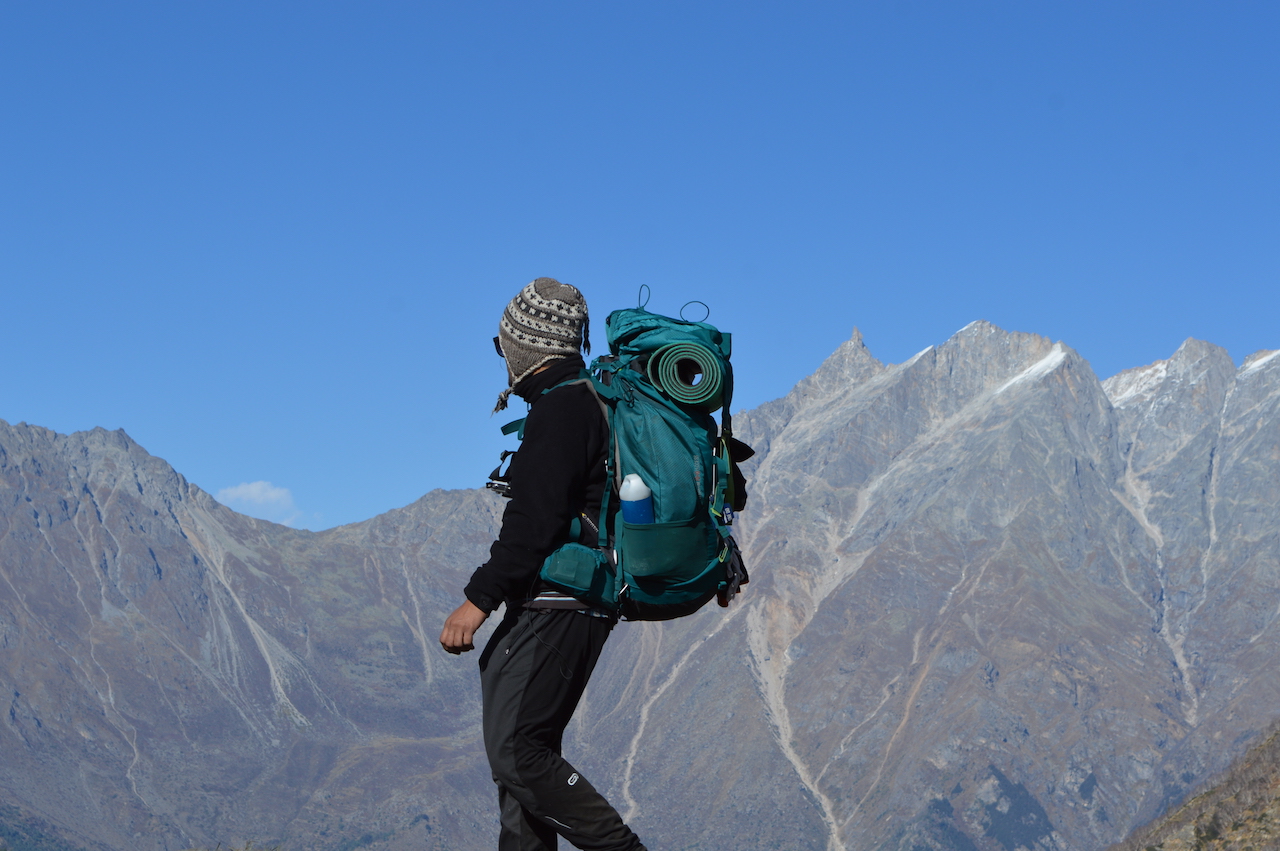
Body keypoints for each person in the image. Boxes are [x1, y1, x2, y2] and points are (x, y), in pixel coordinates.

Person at [440, 278, 649, 851]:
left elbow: (534, 520)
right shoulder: (591, 402)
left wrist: (477, 600)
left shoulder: (563, 409)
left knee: (517, 754)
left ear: (526, 348)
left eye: (503, 343)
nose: (502, 355)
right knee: (522, 758)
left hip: (560, 602)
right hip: (577, 603)